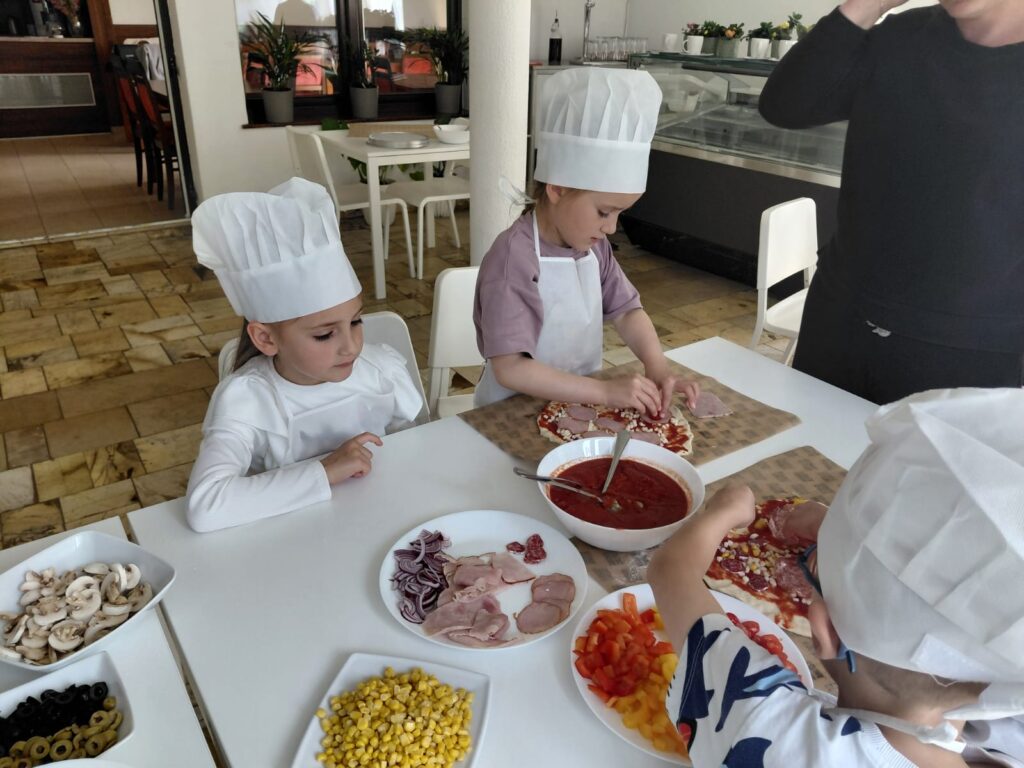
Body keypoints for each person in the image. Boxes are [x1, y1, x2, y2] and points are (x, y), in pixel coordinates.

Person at [649, 387, 1024, 767]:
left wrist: (725, 511)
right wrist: (855, 537)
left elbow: (670, 571)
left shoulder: (770, 726)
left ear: (824, 630)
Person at [758, 0, 1024, 404]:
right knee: (811, 443)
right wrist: (869, 4)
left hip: (973, 348)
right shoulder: (901, 36)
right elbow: (785, 105)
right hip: (840, 319)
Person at [185, 178, 423, 533]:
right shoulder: (247, 399)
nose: (351, 346)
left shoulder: (381, 371)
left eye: (356, 321)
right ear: (266, 338)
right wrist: (325, 471)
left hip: (381, 524)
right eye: (325, 334)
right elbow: (206, 506)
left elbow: (417, 448)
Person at [473, 67, 699, 417]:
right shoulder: (513, 258)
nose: (611, 227)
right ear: (558, 189)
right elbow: (510, 368)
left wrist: (657, 367)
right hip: (511, 415)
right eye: (604, 211)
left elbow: (628, 311)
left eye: (620, 214)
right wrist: (605, 392)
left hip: (578, 408)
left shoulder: (594, 248)